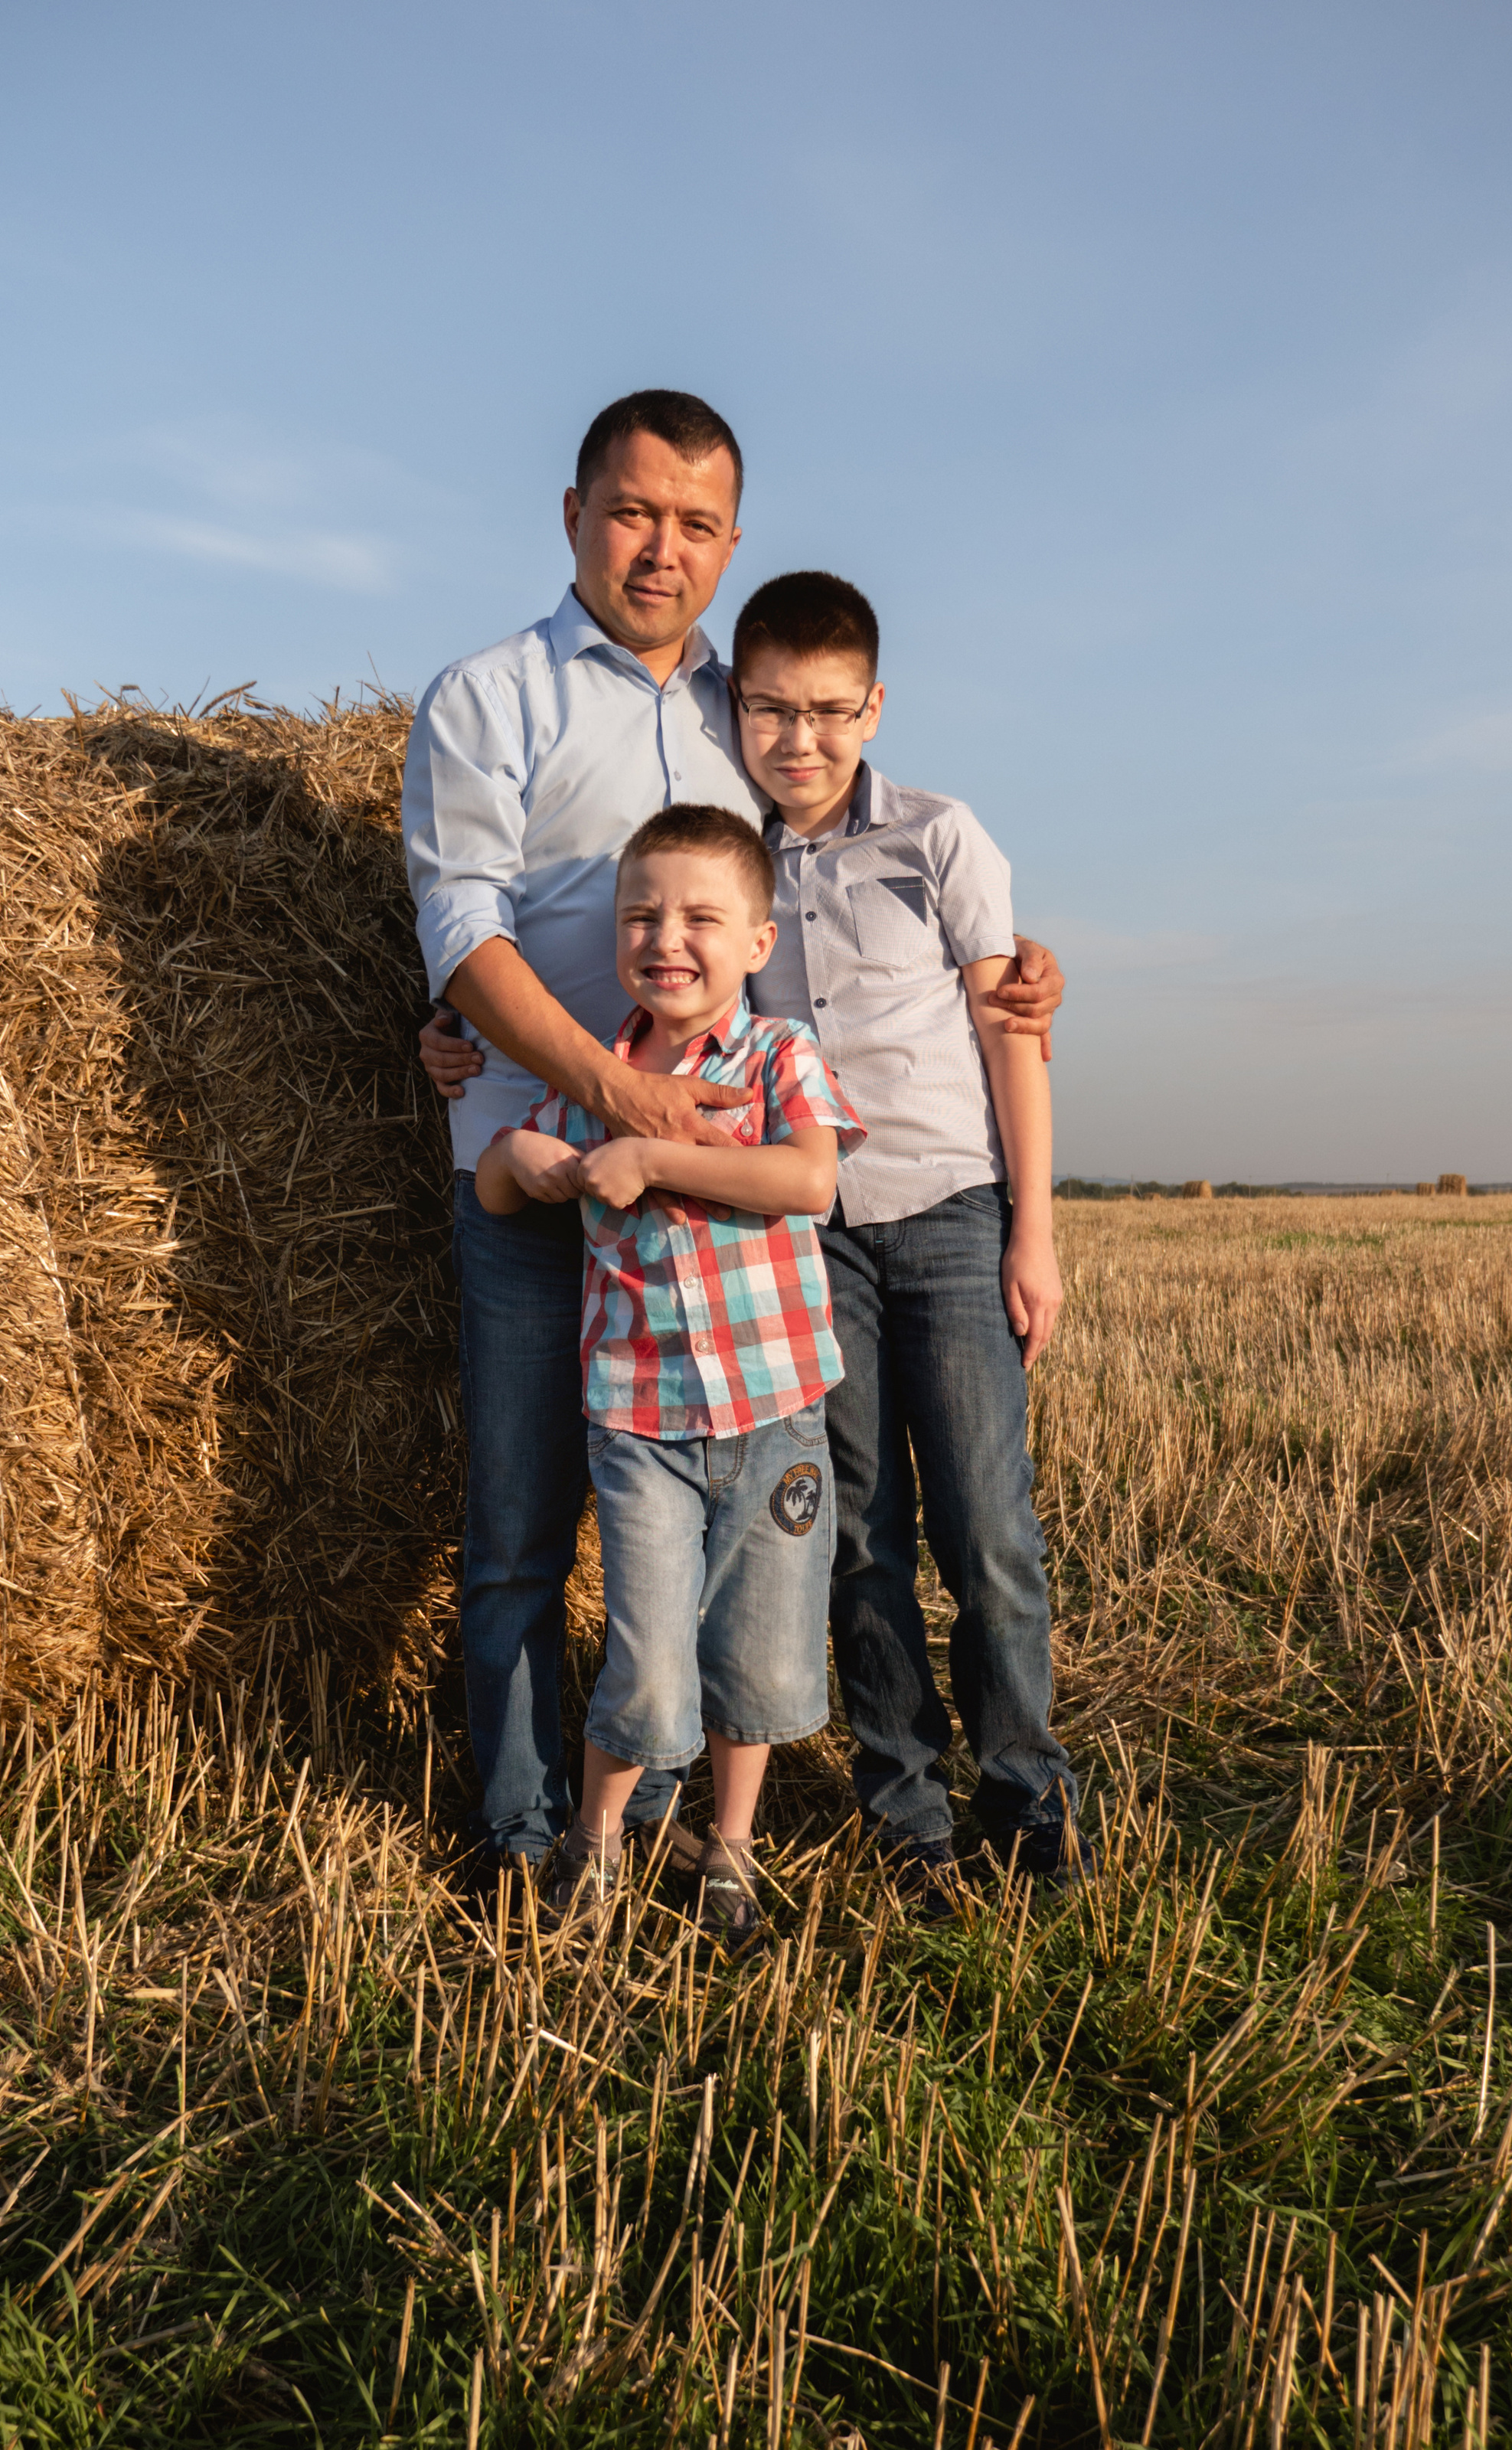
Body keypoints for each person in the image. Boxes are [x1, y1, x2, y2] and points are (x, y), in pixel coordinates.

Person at [404, 387, 1066, 1879]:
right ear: (572, 514)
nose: (660, 548)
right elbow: (462, 929)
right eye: (633, 511)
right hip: (539, 1176)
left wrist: (1018, 971)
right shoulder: (485, 697)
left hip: (726, 1208)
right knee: (521, 1532)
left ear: (729, 543)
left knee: (745, 1535)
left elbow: (854, 876)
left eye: (695, 524)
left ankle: (689, 1815)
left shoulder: (739, 709)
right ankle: (528, 1842)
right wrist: (521, 1051)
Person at [735, 570, 1089, 1893]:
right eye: (771, 711)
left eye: (830, 712)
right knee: (858, 1526)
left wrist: (1032, 1233)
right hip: (812, 1232)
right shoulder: (731, 860)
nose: (801, 741)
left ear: (874, 706)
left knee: (990, 1527)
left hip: (950, 1214)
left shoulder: (940, 839)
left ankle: (1025, 1788)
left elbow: (1017, 1035)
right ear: (739, 705)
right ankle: (905, 1807)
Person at [474, 806, 862, 1940]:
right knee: (645, 1657)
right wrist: (520, 1155)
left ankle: (730, 1849)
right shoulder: (598, 1078)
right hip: (639, 1423)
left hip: (775, 1413)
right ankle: (597, 1844)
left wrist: (653, 1157)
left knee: (762, 1652)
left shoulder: (777, 1055)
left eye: (701, 916)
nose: (667, 938)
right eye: (641, 915)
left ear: (757, 940)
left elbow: (808, 1182)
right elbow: (501, 1191)